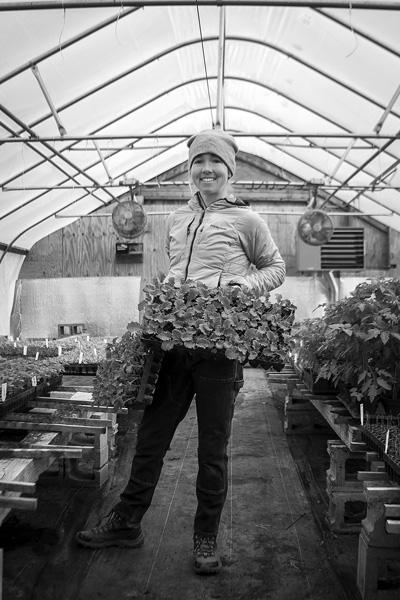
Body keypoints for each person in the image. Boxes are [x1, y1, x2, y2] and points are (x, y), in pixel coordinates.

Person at [76, 128, 286, 575]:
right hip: (174, 344)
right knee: (150, 439)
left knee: (213, 449)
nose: (205, 170)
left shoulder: (248, 220)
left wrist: (242, 283)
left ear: (229, 170)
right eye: (197, 162)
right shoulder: (177, 219)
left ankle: (206, 534)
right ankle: (126, 521)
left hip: (218, 351)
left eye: (215, 163)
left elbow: (275, 268)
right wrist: (170, 287)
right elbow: (177, 267)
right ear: (190, 169)